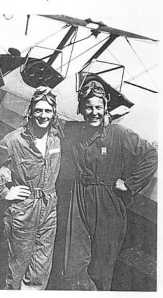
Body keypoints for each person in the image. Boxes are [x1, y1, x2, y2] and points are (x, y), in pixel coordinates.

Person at [57, 76, 158, 291]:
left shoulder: (119, 133)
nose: (94, 112)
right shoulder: (74, 130)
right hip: (80, 200)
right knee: (74, 263)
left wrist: (130, 185)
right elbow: (48, 122)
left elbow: (150, 155)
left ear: (105, 108)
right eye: (88, 107)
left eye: (98, 107)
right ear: (81, 109)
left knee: (102, 267)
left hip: (108, 205)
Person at [0, 87, 62, 290]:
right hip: (23, 212)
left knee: (41, 269)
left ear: (54, 114)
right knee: (16, 270)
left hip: (49, 210)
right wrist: (4, 193)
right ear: (30, 112)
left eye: (48, 111)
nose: (43, 115)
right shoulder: (15, 140)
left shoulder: (56, 139)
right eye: (38, 110)